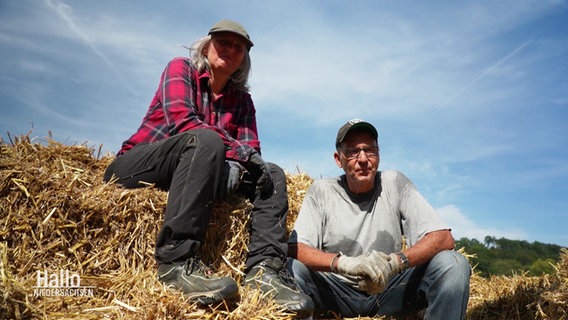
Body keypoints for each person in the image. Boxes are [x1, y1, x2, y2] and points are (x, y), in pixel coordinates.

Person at [103, 19, 313, 317]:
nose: (230, 49)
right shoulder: (180, 69)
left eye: (238, 47)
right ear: (207, 45)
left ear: (244, 59)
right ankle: (176, 264)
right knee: (205, 140)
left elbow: (252, 153)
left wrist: (241, 165)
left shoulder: (242, 100)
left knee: (273, 174)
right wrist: (233, 158)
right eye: (223, 42)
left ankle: (264, 272)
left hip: (197, 171)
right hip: (138, 167)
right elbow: (183, 123)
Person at [287, 119, 471, 319]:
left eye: (370, 150)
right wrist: (344, 263)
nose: (363, 158)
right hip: (336, 291)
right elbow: (297, 248)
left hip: (390, 290)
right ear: (338, 159)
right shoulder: (322, 191)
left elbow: (443, 238)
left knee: (453, 264)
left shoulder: (395, 183)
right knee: (291, 269)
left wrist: (395, 262)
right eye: (353, 152)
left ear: (379, 155)